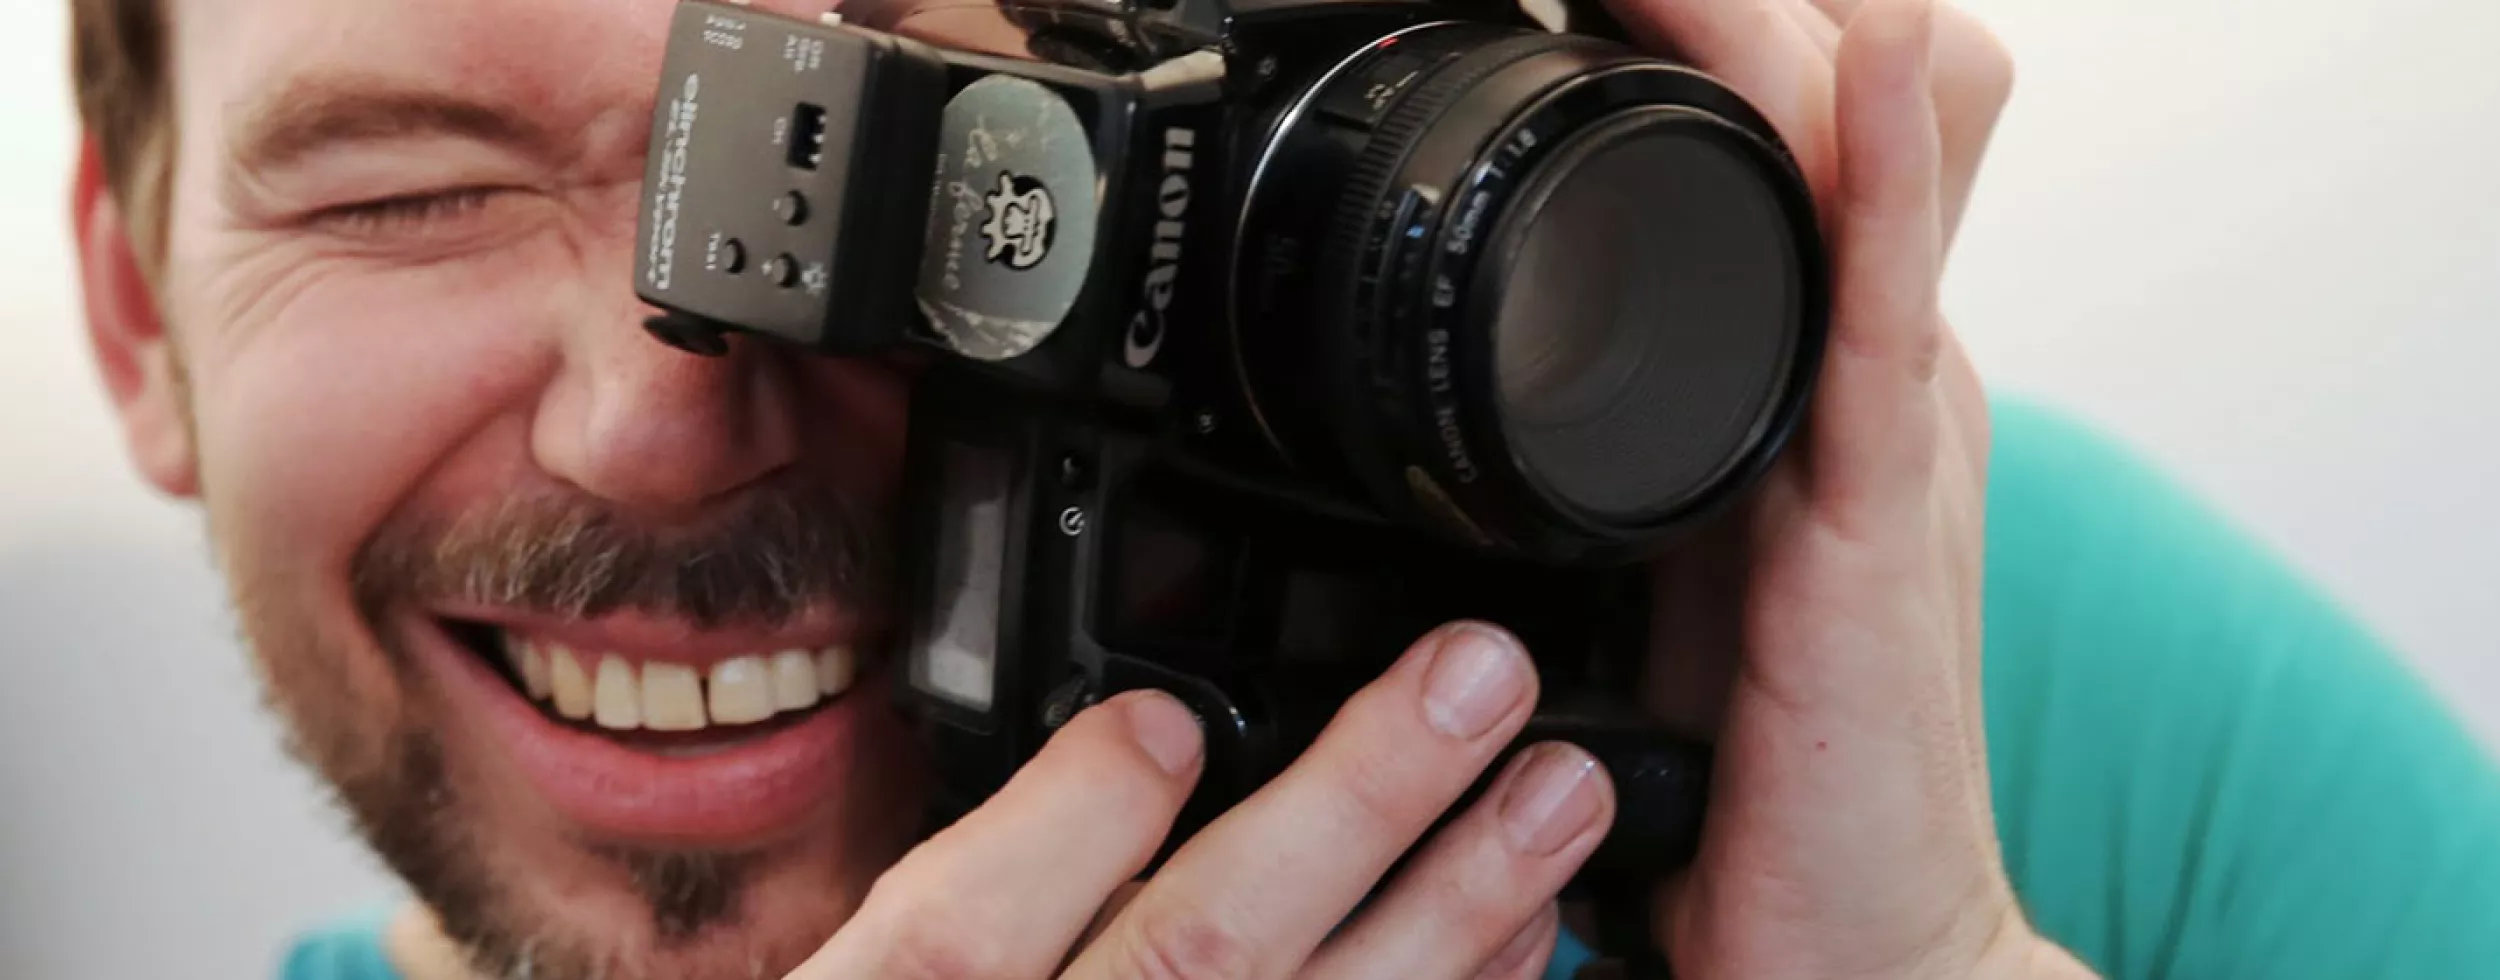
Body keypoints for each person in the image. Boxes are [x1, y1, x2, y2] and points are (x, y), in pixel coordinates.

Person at [61, 0, 2500, 976]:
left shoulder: (1980, 692)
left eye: (880, 176)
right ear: (135, 312)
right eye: (400, 194)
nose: (651, 410)